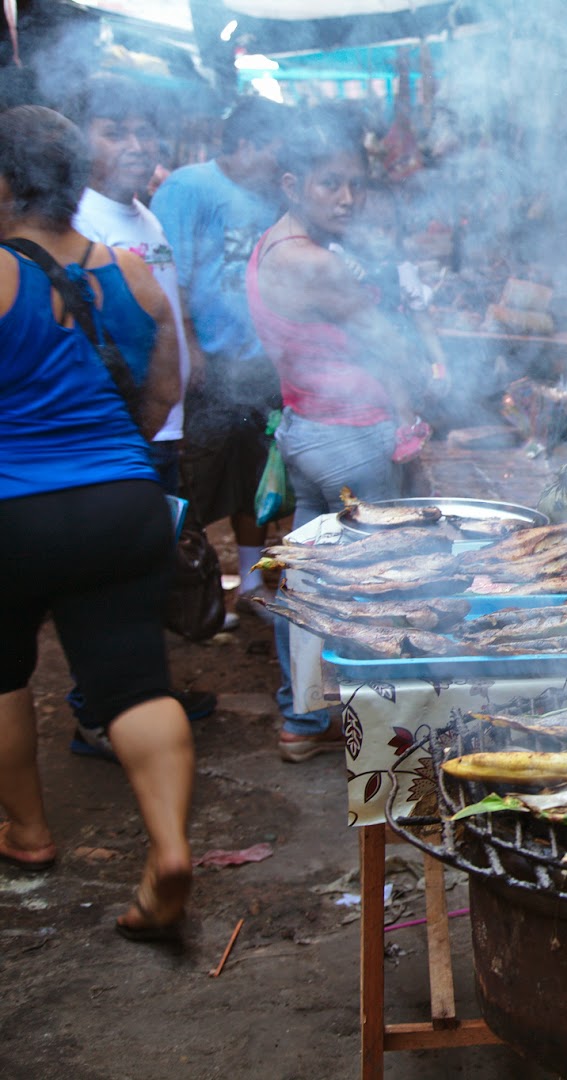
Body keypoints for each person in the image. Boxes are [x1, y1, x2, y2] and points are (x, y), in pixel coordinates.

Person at [0, 106, 194, 940]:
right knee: (136, 681)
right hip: (125, 499)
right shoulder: (129, 270)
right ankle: (171, 849)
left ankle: (31, 835)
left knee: (5, 677)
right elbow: (167, 387)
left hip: (13, 511)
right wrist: (115, 458)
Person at [247, 105, 424, 762]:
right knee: (376, 582)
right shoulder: (310, 261)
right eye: (330, 184)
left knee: (313, 579)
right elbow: (387, 340)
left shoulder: (280, 243)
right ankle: (378, 729)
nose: (348, 198)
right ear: (292, 183)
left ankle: (303, 718)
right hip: (348, 437)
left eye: (355, 184)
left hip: (307, 429)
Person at [67, 74, 216, 753]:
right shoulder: (81, 221)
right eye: (114, 130)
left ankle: (144, 690)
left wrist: (193, 359)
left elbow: (168, 304)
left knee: (153, 565)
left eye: (142, 130)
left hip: (167, 423)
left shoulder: (148, 215)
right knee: (106, 578)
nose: (136, 144)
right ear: (81, 143)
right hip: (121, 431)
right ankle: (96, 710)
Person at [151, 95, 288, 617]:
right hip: (208, 359)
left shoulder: (267, 196)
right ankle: (191, 588)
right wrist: (186, 346)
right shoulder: (191, 186)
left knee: (256, 475)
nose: (278, 163)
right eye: (272, 150)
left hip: (257, 363)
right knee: (198, 480)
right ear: (247, 143)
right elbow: (171, 273)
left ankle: (251, 584)